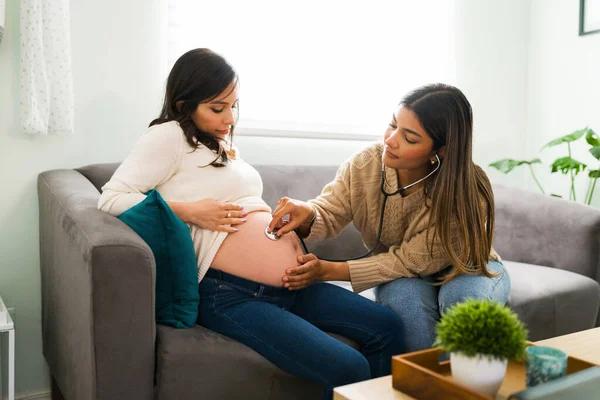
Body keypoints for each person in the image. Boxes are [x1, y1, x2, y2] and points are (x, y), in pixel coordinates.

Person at [97, 48, 404, 399]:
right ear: (184, 106)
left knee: (387, 326)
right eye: (217, 108)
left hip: (292, 284)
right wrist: (190, 211)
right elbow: (111, 199)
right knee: (349, 366)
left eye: (234, 106)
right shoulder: (169, 136)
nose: (229, 117)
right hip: (230, 295)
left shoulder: (219, 144)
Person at [268, 83, 511, 353]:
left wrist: (327, 271)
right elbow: (330, 210)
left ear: (440, 151)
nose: (390, 140)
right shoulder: (365, 164)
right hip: (403, 275)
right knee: (411, 319)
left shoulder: (467, 189)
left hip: (466, 266)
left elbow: (410, 260)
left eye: (409, 138)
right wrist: (308, 212)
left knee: (463, 306)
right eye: (392, 125)